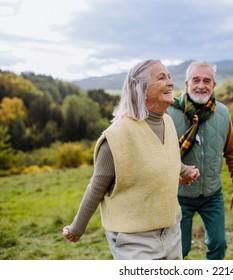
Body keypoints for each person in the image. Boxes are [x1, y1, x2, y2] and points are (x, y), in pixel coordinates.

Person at [63, 59, 199, 260]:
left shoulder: (167, 122)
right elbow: (97, 186)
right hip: (134, 240)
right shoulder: (116, 136)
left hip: (171, 230)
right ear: (141, 89)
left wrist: (185, 171)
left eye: (169, 76)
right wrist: (77, 228)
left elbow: (166, 155)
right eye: (161, 77)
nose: (170, 82)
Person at [167, 61, 233, 260]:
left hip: (212, 195)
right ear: (186, 83)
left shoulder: (223, 113)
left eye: (207, 80)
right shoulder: (169, 113)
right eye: (196, 80)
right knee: (179, 250)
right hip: (179, 196)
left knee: (218, 244)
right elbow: (159, 155)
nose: (201, 85)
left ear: (214, 85)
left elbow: (232, 152)